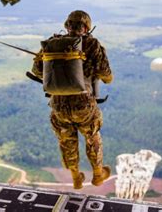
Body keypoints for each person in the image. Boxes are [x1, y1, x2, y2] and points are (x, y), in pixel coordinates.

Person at [31, 10, 113, 189]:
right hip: (84, 106)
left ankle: (76, 176)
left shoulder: (53, 43)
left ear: (67, 26)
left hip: (59, 106)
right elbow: (106, 74)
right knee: (92, 136)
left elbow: (37, 70)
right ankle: (98, 174)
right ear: (86, 27)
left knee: (66, 141)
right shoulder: (91, 44)